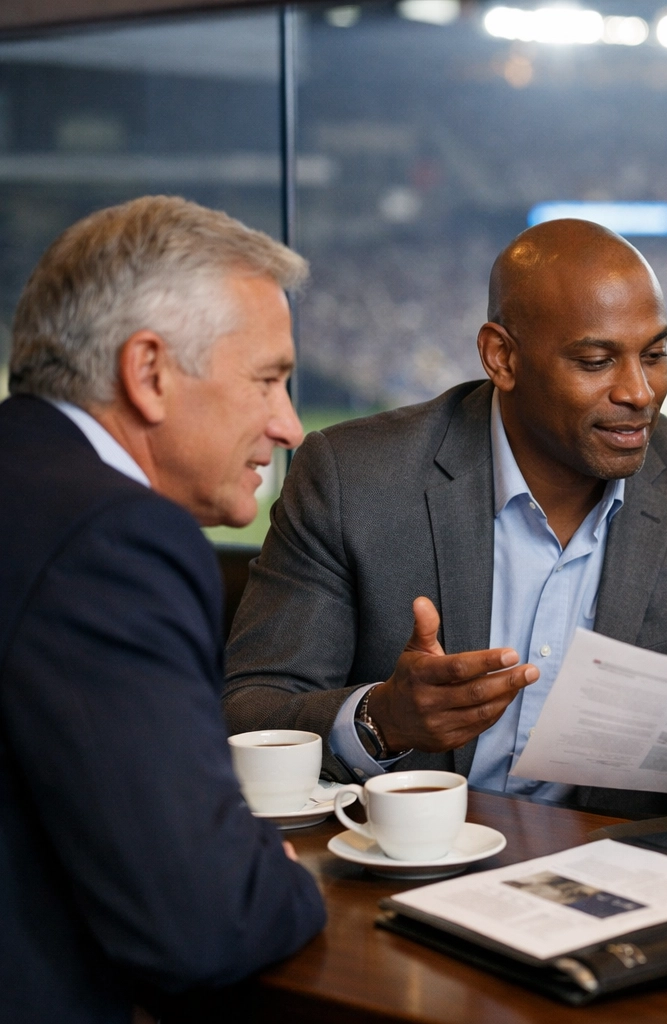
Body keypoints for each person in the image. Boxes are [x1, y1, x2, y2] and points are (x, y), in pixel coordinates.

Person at [223, 218, 667, 824]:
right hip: (402, 856)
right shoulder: (354, 477)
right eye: (595, 360)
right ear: (501, 357)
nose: (641, 391)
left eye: (655, 354)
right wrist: (384, 719)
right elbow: (251, 708)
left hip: (613, 868)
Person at [0, 196, 325, 1021]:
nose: (289, 426)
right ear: (148, 372)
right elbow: (205, 922)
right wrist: (279, 871)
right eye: (269, 380)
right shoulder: (116, 539)